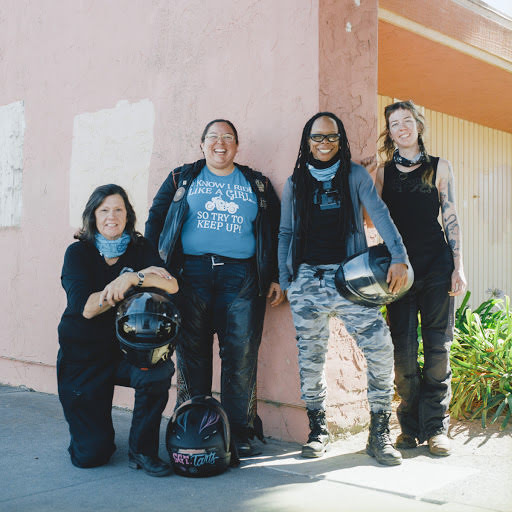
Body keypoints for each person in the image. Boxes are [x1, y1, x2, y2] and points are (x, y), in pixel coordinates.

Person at [145, 119, 283, 457]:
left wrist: (276, 275)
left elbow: (277, 231)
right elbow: (156, 219)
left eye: (228, 138)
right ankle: (192, 426)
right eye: (213, 138)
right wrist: (152, 267)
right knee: (192, 353)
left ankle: (238, 431)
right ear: (202, 144)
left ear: (237, 146)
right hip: (189, 274)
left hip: (241, 277)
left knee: (240, 353)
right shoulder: (182, 178)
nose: (220, 143)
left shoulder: (257, 184)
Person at [279, 112, 409, 465]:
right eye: (318, 138)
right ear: (308, 142)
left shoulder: (354, 175)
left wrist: (400, 256)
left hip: (351, 278)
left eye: (331, 137)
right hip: (307, 280)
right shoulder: (295, 183)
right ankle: (318, 430)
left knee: (380, 348)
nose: (324, 144)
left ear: (341, 141)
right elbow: (286, 233)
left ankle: (379, 431)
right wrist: (287, 280)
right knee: (311, 357)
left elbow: (379, 213)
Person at [57, 184, 179, 477]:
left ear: (128, 215)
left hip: (127, 352)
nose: (112, 216)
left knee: (157, 372)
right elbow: (86, 308)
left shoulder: (140, 248)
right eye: (104, 210)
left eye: (119, 210)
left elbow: (171, 285)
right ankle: (90, 433)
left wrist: (132, 279)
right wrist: (121, 284)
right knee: (91, 455)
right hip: (83, 356)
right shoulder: (78, 253)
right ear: (93, 216)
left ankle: (142, 451)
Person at [376, 100, 466, 456]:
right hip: (398, 270)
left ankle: (436, 429)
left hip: (436, 267)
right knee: (403, 353)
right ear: (390, 131)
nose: (402, 127)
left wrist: (459, 266)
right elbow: (374, 221)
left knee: (438, 348)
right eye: (395, 123)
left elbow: (452, 218)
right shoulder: (383, 173)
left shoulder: (439, 167)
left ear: (418, 125)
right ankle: (409, 429)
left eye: (407, 120)